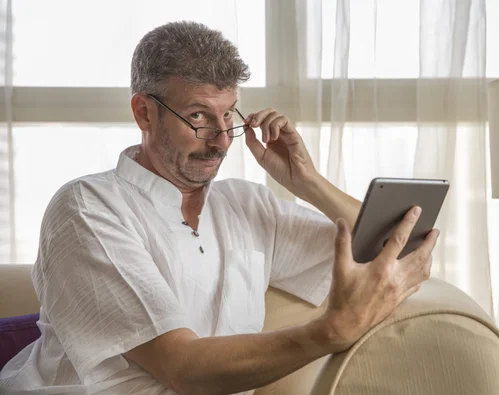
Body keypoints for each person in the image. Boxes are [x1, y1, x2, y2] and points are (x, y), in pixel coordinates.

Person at [0, 21, 439, 395]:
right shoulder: (87, 208)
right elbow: (182, 367)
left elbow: (399, 246)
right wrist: (329, 331)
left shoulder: (247, 205)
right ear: (144, 113)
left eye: (228, 113)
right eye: (198, 116)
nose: (221, 137)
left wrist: (308, 182)